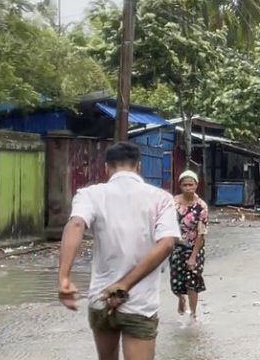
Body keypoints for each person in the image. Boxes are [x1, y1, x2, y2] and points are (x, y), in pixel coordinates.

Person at [57, 142, 180, 360]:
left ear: (107, 168)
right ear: (139, 166)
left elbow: (75, 225)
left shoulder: (90, 194)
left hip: (101, 298)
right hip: (141, 303)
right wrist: (124, 285)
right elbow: (167, 243)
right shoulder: (161, 198)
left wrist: (64, 277)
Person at [170, 170, 210, 320]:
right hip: (176, 246)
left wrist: (193, 256)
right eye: (185, 185)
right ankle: (181, 299)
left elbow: (201, 232)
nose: (188, 188)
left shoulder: (201, 206)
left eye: (190, 184)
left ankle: (193, 315)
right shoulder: (173, 203)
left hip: (195, 246)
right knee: (176, 281)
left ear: (196, 185)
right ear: (180, 186)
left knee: (192, 279)